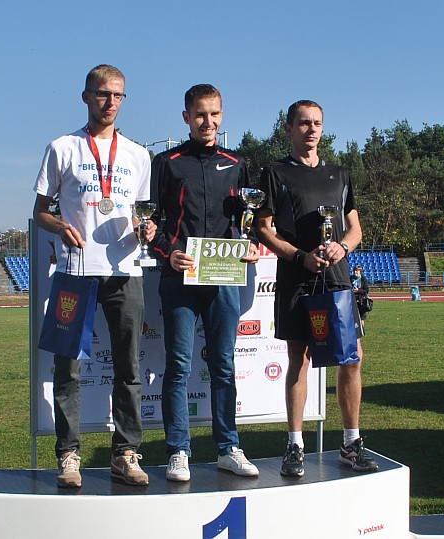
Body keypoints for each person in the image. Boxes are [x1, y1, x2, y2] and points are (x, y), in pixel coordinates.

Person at [32, 64, 155, 488]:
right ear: (86, 96)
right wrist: (59, 225)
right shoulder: (61, 148)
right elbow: (40, 212)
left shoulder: (138, 155)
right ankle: (68, 454)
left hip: (125, 271)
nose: (110, 102)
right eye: (103, 94)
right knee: (68, 369)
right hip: (76, 270)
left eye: (118, 95)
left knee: (129, 368)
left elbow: (140, 214)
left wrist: (146, 228)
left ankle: (125, 453)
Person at [255, 100, 378, 477]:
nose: (311, 129)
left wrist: (343, 246)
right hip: (297, 276)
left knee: (352, 357)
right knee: (299, 358)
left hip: (337, 277)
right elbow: (263, 228)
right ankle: (295, 445)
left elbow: (355, 228)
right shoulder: (274, 173)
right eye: (304, 123)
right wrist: (300, 257)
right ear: (289, 128)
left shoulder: (339, 174)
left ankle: (351, 443)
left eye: (317, 123)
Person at [149, 84, 260, 482]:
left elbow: (248, 219)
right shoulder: (167, 162)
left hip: (224, 279)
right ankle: (178, 451)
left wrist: (251, 244)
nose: (207, 122)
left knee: (223, 365)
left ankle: (228, 448)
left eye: (214, 114)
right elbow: (150, 223)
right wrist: (168, 252)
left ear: (222, 116)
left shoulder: (236, 163)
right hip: (179, 278)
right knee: (178, 366)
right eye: (199, 114)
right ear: (186, 117)